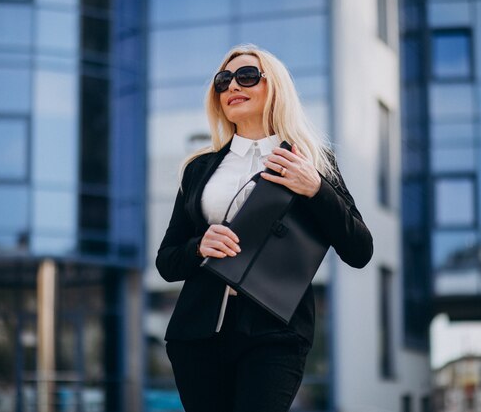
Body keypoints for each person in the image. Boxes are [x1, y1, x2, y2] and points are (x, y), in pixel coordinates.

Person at [155, 44, 373, 412]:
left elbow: (359, 250)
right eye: (223, 81)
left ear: (275, 87)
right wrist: (199, 246)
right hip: (197, 333)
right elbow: (166, 261)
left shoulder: (313, 160)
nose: (232, 87)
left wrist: (316, 189)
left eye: (247, 76)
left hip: (276, 330)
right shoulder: (199, 168)